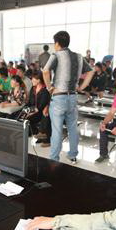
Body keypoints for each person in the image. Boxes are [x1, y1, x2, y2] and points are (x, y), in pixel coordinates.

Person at [43, 30, 94, 164]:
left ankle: (54, 159)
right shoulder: (78, 56)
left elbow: (45, 71)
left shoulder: (56, 55)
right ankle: (72, 155)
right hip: (72, 97)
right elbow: (91, 71)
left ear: (57, 43)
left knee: (57, 129)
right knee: (72, 127)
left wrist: (49, 88)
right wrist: (81, 87)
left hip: (59, 97)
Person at [26, 71, 51, 147]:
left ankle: (46, 138)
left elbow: (41, 106)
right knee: (24, 116)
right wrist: (27, 110)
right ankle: (37, 134)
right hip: (35, 110)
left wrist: (32, 112)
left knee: (45, 115)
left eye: (33, 79)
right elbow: (29, 102)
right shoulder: (33, 89)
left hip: (41, 111)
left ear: (39, 80)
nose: (31, 81)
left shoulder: (44, 91)